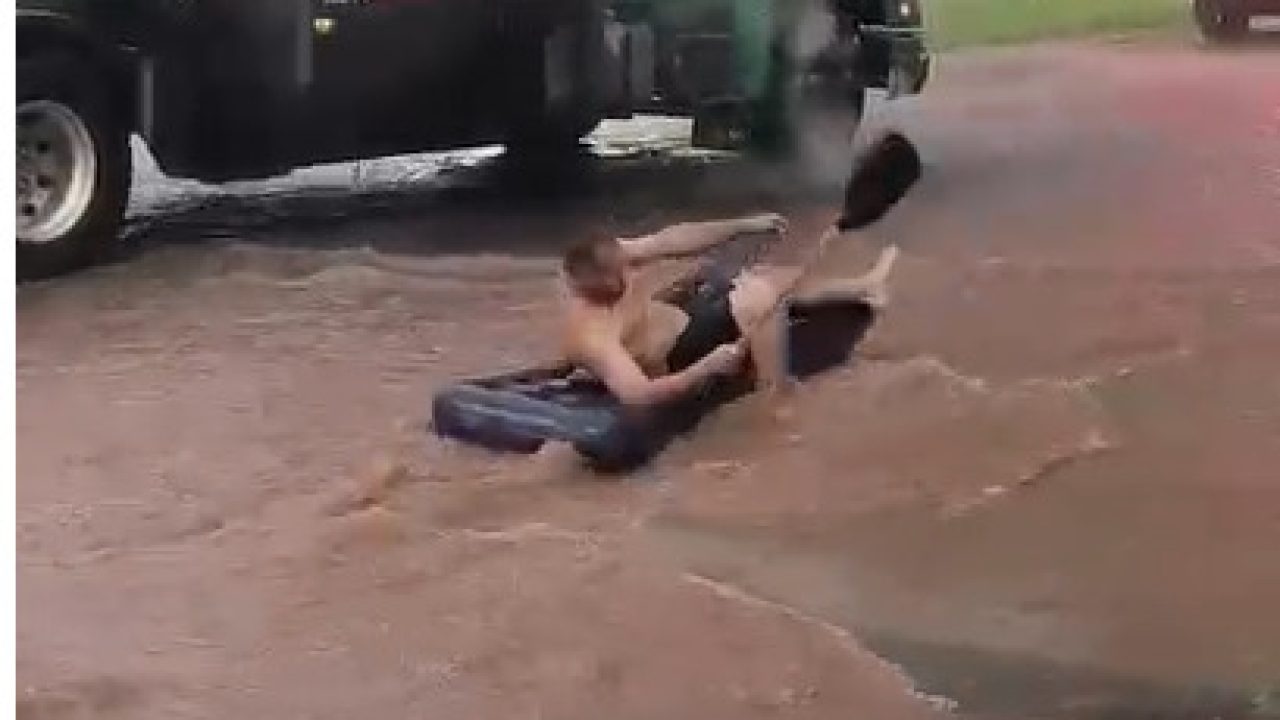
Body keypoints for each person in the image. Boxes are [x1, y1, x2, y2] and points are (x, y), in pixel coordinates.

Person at [557, 213, 899, 409]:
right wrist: (705, 369)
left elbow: (674, 240)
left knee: (764, 275)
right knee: (759, 296)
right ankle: (775, 397)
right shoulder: (592, 335)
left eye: (629, 267)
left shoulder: (612, 256)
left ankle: (864, 286)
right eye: (625, 275)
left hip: (673, 318)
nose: (633, 274)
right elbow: (639, 395)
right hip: (677, 354)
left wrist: (744, 225)